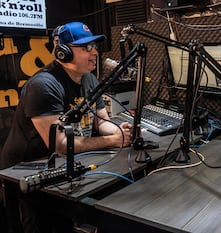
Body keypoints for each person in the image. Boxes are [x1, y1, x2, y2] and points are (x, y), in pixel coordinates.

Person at [0, 22, 132, 233]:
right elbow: (60, 144)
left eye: (94, 47)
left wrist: (120, 131)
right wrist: (112, 140)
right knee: (39, 227)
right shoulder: (44, 85)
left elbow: (102, 121)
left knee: (62, 224)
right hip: (26, 170)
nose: (95, 53)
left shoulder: (89, 78)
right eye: (86, 48)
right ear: (63, 53)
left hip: (59, 165)